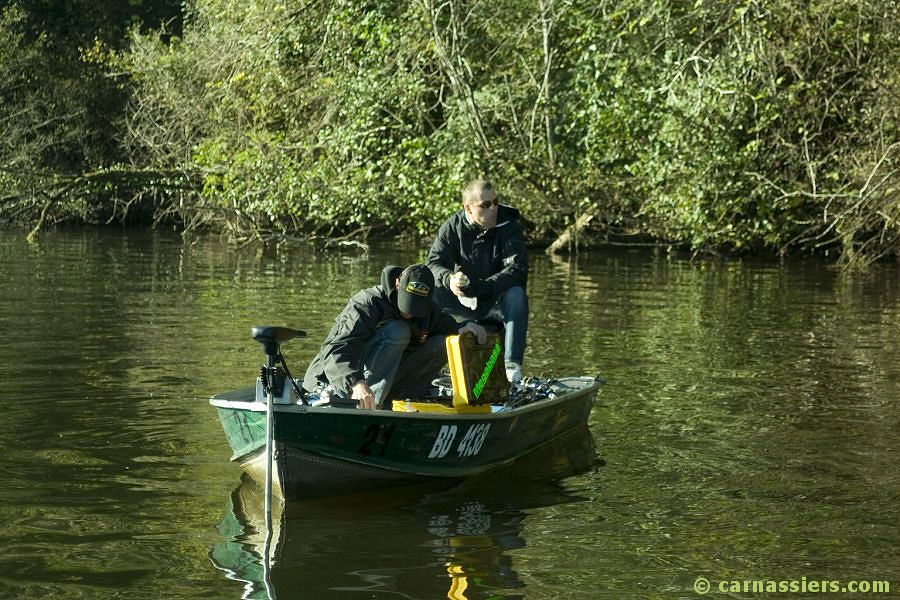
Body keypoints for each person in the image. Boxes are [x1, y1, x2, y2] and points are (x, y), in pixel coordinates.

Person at [301, 264, 487, 409]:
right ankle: (368, 406)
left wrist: (464, 328)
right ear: (398, 284)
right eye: (407, 303)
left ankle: (396, 401)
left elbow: (449, 327)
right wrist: (355, 383)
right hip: (339, 381)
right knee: (399, 329)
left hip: (391, 383)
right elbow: (337, 349)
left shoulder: (430, 311)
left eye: (417, 307)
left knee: (444, 343)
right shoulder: (367, 303)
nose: (410, 313)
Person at [426, 179, 529, 382]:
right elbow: (433, 264)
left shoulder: (509, 226)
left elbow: (516, 270)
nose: (494, 209)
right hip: (463, 301)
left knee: (516, 294)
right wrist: (450, 280)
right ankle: (428, 365)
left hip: (495, 300)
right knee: (431, 293)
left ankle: (512, 365)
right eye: (486, 205)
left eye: (496, 202)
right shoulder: (452, 226)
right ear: (469, 208)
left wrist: (482, 287)